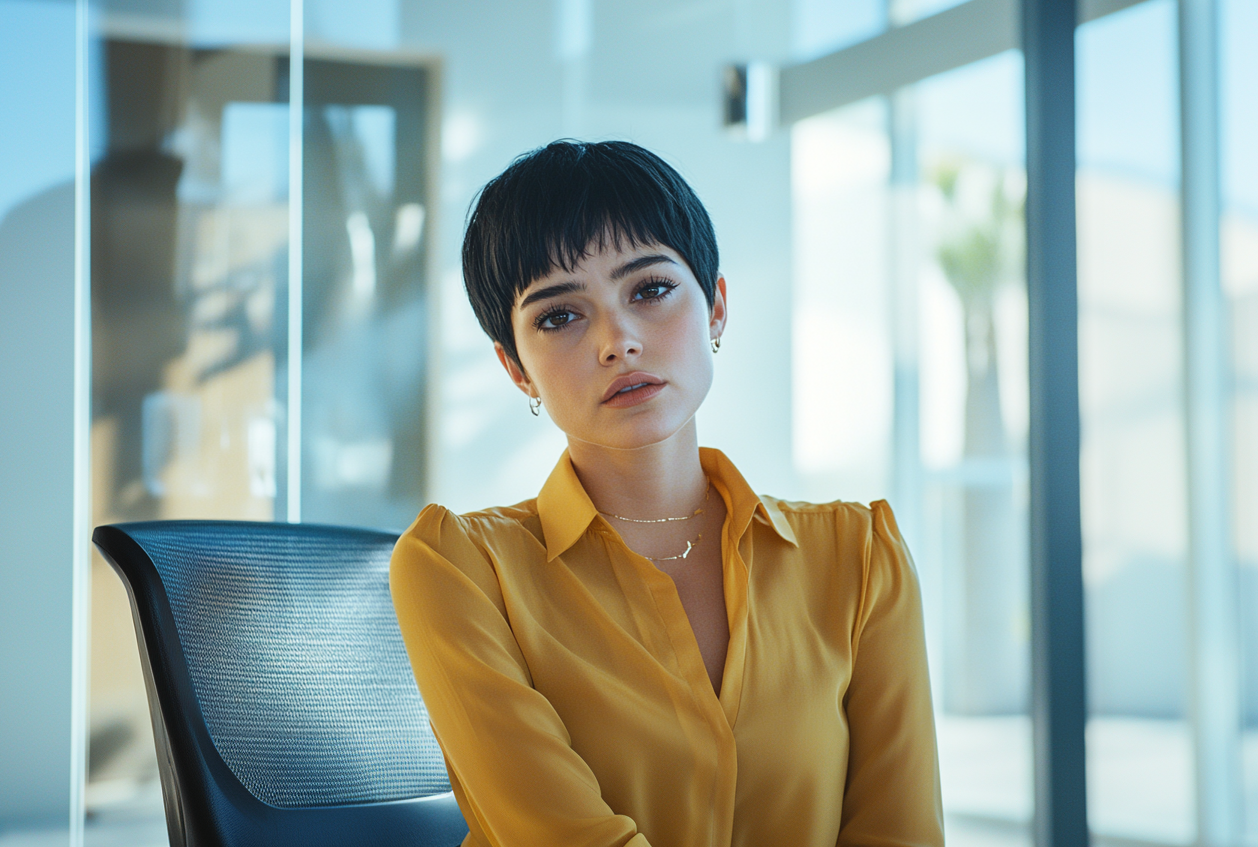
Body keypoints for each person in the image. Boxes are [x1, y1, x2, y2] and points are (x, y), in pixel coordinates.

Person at [390, 140, 942, 847]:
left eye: (649, 289)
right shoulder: (458, 567)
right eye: (559, 316)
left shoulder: (862, 558)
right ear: (515, 368)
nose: (617, 341)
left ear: (715, 306)